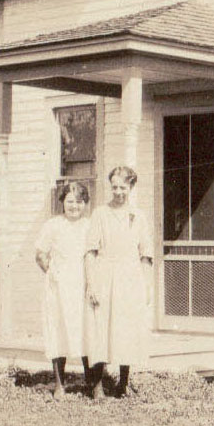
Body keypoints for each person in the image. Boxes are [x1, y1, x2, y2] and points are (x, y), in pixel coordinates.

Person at [84, 166, 154, 399]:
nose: (118, 192)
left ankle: (123, 383)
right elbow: (90, 251)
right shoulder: (100, 213)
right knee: (100, 328)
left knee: (126, 329)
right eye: (114, 187)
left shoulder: (139, 216)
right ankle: (97, 386)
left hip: (130, 276)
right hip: (105, 273)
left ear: (131, 187)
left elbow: (145, 254)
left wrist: (146, 285)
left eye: (123, 187)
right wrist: (92, 283)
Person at [34, 181, 91, 399]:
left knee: (85, 331)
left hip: (83, 284)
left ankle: (91, 382)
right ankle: (59, 384)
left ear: (85, 203)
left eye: (79, 201)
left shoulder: (89, 225)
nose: (74, 206)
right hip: (59, 287)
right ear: (62, 203)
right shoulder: (53, 225)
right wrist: (52, 272)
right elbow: (39, 254)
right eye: (70, 201)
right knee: (58, 331)